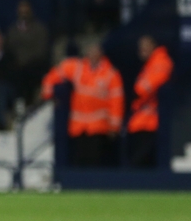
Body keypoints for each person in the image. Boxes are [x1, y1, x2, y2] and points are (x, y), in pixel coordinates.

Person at [41, 42, 124, 167]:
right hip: (78, 127)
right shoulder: (78, 67)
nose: (91, 53)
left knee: (95, 164)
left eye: (95, 50)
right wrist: (49, 94)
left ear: (101, 52)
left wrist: (114, 127)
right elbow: (54, 75)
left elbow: (116, 101)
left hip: (98, 128)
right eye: (89, 49)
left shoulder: (111, 74)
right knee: (79, 163)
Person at [127, 36, 173, 167]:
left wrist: (137, 91)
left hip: (151, 122)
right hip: (141, 120)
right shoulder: (150, 63)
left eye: (145, 46)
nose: (142, 50)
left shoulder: (161, 61)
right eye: (140, 47)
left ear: (153, 45)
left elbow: (142, 90)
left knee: (141, 162)